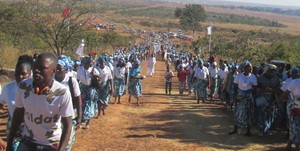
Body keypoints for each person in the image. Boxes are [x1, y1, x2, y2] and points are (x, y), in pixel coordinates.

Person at [7, 52, 74, 151]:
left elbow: (68, 125)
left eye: (42, 68)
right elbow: (18, 114)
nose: (36, 71)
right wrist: (9, 143)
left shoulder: (62, 93)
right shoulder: (23, 87)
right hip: (27, 142)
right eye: (35, 67)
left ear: (53, 71)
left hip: (51, 145)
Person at [0, 55, 33, 151]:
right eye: (17, 73)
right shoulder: (8, 89)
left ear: (30, 74)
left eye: (23, 74)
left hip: (36, 136)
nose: (20, 77)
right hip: (16, 135)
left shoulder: (37, 89)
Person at [55, 56, 83, 151]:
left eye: (60, 68)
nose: (57, 71)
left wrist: (79, 116)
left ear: (66, 69)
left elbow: (78, 98)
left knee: (67, 141)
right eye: (56, 68)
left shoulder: (71, 81)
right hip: (54, 115)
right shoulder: (51, 81)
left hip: (69, 115)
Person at [228, 61, 257, 136]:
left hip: (248, 97)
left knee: (248, 113)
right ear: (244, 68)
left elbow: (254, 88)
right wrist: (235, 96)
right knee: (238, 112)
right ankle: (235, 129)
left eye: (251, 67)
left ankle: (248, 130)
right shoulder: (239, 76)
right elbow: (235, 86)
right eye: (248, 67)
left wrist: (249, 95)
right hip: (240, 97)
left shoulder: (253, 77)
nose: (250, 69)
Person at [256, 64, 280, 136]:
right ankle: (261, 130)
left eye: (273, 71)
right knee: (262, 113)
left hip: (272, 98)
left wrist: (273, 90)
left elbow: (278, 88)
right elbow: (257, 87)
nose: (272, 72)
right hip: (263, 97)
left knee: (270, 114)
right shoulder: (261, 77)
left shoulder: (276, 78)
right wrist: (264, 89)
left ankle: (267, 129)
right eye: (270, 70)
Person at [77, 56, 100, 129]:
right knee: (82, 104)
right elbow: (77, 79)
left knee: (89, 105)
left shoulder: (93, 70)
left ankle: (87, 123)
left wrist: (95, 76)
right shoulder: (80, 69)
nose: (91, 64)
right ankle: (80, 122)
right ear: (85, 63)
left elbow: (100, 77)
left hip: (91, 89)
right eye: (89, 63)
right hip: (83, 88)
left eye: (91, 63)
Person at [280, 67, 300, 151]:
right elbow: (285, 93)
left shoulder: (294, 82)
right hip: (294, 108)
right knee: (295, 127)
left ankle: (290, 144)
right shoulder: (293, 82)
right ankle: (295, 146)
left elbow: (285, 94)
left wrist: (279, 101)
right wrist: (279, 101)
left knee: (294, 127)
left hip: (295, 107)